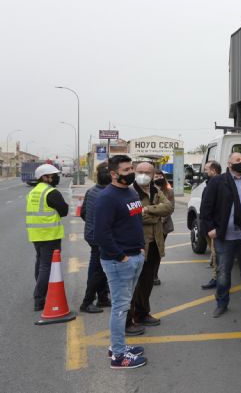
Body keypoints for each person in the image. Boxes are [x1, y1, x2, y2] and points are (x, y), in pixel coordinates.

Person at [94, 155, 147, 369]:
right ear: (114, 174)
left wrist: (140, 248)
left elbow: (135, 221)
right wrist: (121, 257)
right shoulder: (107, 197)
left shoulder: (131, 191)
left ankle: (117, 345)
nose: (131, 172)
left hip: (135, 255)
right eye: (126, 170)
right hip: (119, 262)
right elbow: (101, 235)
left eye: (131, 168)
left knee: (123, 305)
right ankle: (118, 356)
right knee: (120, 307)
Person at [200, 153, 241, 317]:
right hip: (225, 236)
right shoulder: (218, 181)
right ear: (229, 164)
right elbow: (206, 208)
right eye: (238, 160)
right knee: (223, 272)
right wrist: (210, 228)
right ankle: (222, 303)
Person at [126, 162, 173, 329]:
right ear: (134, 172)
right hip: (138, 244)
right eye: (140, 171)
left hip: (155, 243)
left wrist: (146, 210)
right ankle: (129, 319)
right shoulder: (130, 191)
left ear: (153, 175)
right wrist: (155, 214)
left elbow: (168, 207)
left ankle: (142, 313)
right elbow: (133, 217)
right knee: (133, 284)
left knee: (147, 282)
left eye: (147, 172)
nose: (144, 174)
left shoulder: (155, 189)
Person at [26, 163, 69, 311]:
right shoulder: (51, 192)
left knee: (40, 263)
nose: (56, 178)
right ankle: (39, 299)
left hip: (36, 234)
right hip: (49, 235)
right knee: (47, 266)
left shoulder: (33, 192)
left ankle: (39, 291)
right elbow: (64, 211)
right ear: (44, 177)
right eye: (53, 176)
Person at [78, 161, 111, 313]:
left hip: (91, 235)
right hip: (100, 238)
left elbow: (83, 213)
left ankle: (103, 298)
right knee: (97, 270)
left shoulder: (92, 191)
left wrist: (91, 224)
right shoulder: (107, 194)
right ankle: (87, 301)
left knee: (101, 269)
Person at [200, 160, 222, 290]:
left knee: (216, 254)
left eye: (206, 170)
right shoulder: (209, 184)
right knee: (214, 254)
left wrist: (212, 227)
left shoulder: (220, 184)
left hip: (213, 227)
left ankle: (216, 279)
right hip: (207, 226)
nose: (204, 173)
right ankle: (216, 277)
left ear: (213, 171)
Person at [152, 169, 174, 286]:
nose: (158, 177)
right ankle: (147, 274)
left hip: (164, 226)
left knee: (158, 252)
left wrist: (161, 219)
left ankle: (155, 274)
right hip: (150, 227)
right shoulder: (149, 189)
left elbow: (170, 208)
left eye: (160, 175)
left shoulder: (169, 191)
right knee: (149, 251)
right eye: (155, 176)